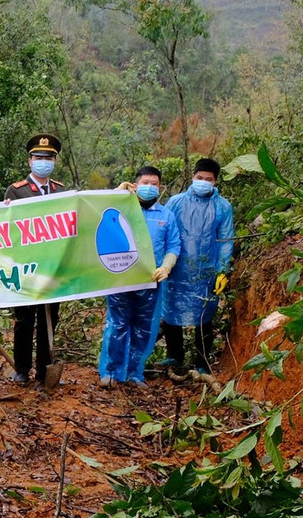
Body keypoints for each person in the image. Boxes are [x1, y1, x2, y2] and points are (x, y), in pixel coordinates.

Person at [98, 165, 180, 387]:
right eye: (145, 183)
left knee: (143, 327)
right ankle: (110, 372)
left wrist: (167, 266)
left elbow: (173, 246)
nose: (150, 187)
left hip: (150, 280)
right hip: (120, 278)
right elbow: (99, 215)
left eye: (154, 184)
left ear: (160, 187)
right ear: (135, 185)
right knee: (117, 325)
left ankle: (134, 374)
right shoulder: (122, 208)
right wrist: (116, 194)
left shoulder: (166, 216)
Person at [5, 134, 72, 385]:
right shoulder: (16, 190)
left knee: (49, 319)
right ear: (30, 161)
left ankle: (45, 370)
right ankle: (22, 369)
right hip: (26, 266)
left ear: (54, 161)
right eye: (39, 157)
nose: (44, 161)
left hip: (54, 266)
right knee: (24, 319)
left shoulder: (61, 191)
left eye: (49, 158)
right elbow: (8, 227)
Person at [162, 158, 234, 375]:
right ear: (193, 177)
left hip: (206, 271)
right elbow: (163, 231)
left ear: (215, 181)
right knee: (171, 311)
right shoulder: (175, 202)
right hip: (176, 267)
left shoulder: (223, 207)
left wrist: (223, 270)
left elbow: (225, 240)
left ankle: (202, 362)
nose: (203, 182)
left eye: (208, 179)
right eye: (199, 177)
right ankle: (175, 356)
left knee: (204, 316)